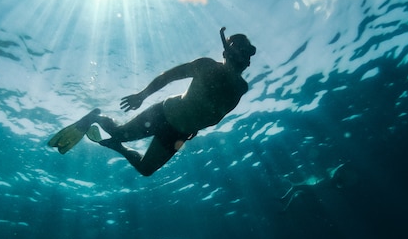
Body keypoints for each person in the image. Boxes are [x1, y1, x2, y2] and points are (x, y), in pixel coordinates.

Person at [48, 27, 256, 176]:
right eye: (243, 50)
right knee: (119, 132)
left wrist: (196, 128)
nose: (247, 58)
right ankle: (95, 117)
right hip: (164, 114)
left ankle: (118, 147)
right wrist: (142, 96)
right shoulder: (206, 66)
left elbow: (213, 112)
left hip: (179, 134)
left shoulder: (241, 88)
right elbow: (168, 76)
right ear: (227, 52)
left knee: (146, 169)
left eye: (249, 53)